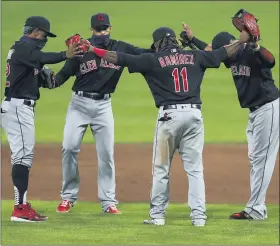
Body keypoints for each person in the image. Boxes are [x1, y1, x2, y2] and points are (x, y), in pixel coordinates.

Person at [83, 26, 250, 226]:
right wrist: (243, 40)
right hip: (194, 116)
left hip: (169, 118)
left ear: (158, 44)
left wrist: (94, 50)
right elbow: (223, 52)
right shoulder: (196, 56)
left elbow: (119, 58)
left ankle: (158, 216)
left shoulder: (151, 60)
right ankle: (198, 217)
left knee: (162, 169)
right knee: (195, 170)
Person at [50, 13, 152, 214]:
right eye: (98, 29)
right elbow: (61, 77)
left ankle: (108, 202)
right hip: (78, 105)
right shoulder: (80, 50)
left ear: (111, 29)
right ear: (91, 30)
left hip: (103, 106)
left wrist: (163, 49)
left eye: (104, 29)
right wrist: (45, 79)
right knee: (69, 148)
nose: (101, 33)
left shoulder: (121, 48)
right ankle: (68, 197)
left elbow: (145, 55)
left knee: (106, 155)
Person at [181, 21, 279, 220]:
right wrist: (192, 40)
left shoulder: (248, 51)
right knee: (255, 158)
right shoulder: (231, 56)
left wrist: (256, 45)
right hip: (255, 113)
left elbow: (270, 61)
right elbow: (210, 52)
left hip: (268, 107)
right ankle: (257, 206)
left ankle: (256, 209)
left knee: (262, 160)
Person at [1, 16, 81, 222]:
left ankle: (22, 206)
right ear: (36, 32)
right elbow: (44, 57)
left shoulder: (30, 56)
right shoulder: (22, 48)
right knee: (22, 158)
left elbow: (52, 82)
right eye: (44, 35)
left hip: (21, 108)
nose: (45, 39)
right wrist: (65, 54)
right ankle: (19, 209)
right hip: (17, 107)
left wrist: (73, 61)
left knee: (24, 157)